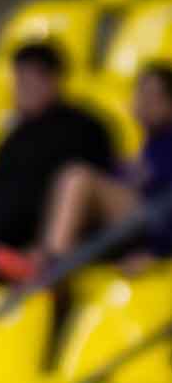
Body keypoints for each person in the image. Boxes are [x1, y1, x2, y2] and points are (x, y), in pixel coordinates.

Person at [10, 61, 172, 281]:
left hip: (151, 230)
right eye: (140, 93)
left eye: (154, 96)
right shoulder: (137, 154)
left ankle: (51, 262)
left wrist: (157, 253)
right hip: (122, 232)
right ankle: (43, 259)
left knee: (77, 177)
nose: (144, 102)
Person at [0, 39, 118, 265]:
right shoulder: (11, 140)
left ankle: (49, 262)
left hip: (79, 237)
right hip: (19, 240)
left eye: (30, 81)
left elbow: (94, 192)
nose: (21, 90)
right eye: (19, 81)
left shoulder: (86, 126)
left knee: (75, 178)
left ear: (53, 80)